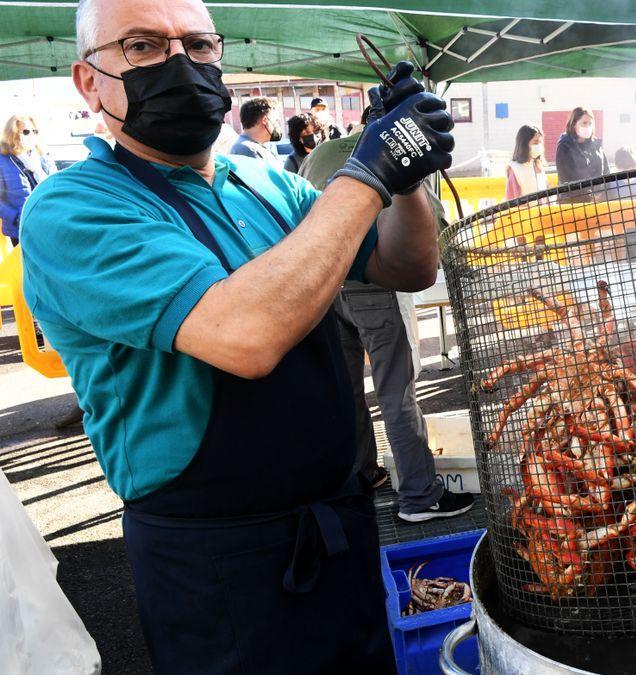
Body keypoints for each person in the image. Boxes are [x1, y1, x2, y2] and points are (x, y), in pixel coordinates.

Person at [19, 0, 455, 670]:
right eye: (142, 46)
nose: (179, 64)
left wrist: (406, 178)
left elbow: (406, 263)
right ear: (89, 80)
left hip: (339, 522)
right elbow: (246, 334)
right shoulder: (76, 207)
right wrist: (367, 170)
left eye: (197, 45)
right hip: (220, 568)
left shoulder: (261, 183)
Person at [300, 123, 474, 522]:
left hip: (323, 280)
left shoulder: (320, 153)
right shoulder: (399, 155)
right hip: (374, 280)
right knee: (397, 389)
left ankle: (362, 473)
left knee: (346, 388)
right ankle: (420, 494)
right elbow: (434, 224)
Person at [0, 115, 56, 246]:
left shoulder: (43, 155)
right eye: (26, 131)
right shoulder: (3, 160)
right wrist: (17, 217)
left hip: (48, 220)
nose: (31, 135)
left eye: (34, 131)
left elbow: (55, 184)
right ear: (13, 134)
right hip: (20, 227)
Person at [555, 107, 609, 201]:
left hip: (596, 200)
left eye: (590, 123)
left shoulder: (596, 145)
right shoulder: (565, 146)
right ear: (574, 124)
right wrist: (588, 193)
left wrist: (600, 191)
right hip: (571, 201)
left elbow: (606, 171)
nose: (587, 126)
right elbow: (565, 177)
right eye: (584, 123)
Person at [228, 96, 283, 168]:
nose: (277, 125)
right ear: (265, 120)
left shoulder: (249, 147)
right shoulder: (248, 150)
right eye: (276, 121)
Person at [505, 124, 548, 200]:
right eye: (535, 143)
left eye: (540, 142)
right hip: (525, 211)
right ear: (524, 144)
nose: (538, 146)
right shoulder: (515, 169)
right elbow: (512, 201)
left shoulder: (538, 166)